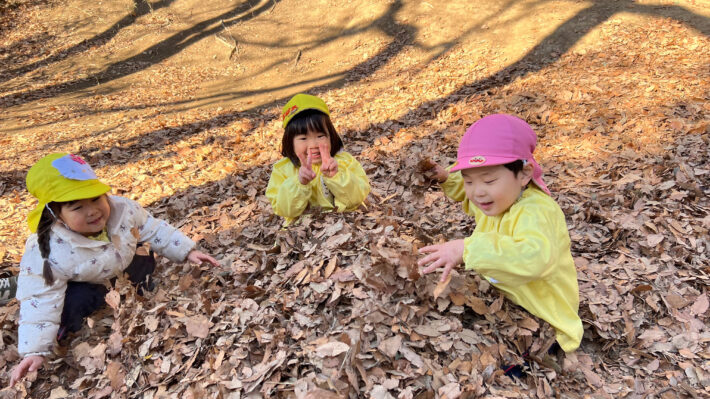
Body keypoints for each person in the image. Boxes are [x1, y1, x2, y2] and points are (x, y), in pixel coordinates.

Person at [10, 153, 219, 386]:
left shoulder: (122, 210)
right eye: (77, 206)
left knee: (144, 255)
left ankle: (132, 286)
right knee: (73, 303)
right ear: (55, 214)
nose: (92, 211)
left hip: (117, 264)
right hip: (81, 281)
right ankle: (28, 298)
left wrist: (187, 251)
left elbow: (153, 228)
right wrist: (35, 350)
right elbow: (41, 296)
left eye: (96, 198)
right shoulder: (49, 250)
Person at [418, 114, 583, 353]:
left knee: (499, 362)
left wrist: (467, 249)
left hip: (543, 319)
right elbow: (469, 197)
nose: (478, 192)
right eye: (469, 181)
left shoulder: (536, 212)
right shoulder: (498, 199)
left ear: (525, 174)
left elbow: (532, 258)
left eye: (489, 180)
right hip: (506, 299)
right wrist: (447, 178)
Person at [266, 94, 370, 226]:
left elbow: (357, 198)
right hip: (302, 232)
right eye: (303, 138)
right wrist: (299, 183)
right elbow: (284, 210)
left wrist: (337, 176)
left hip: (344, 226)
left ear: (331, 136)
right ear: (289, 142)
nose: (313, 144)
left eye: (320, 136)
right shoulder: (282, 170)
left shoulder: (344, 161)